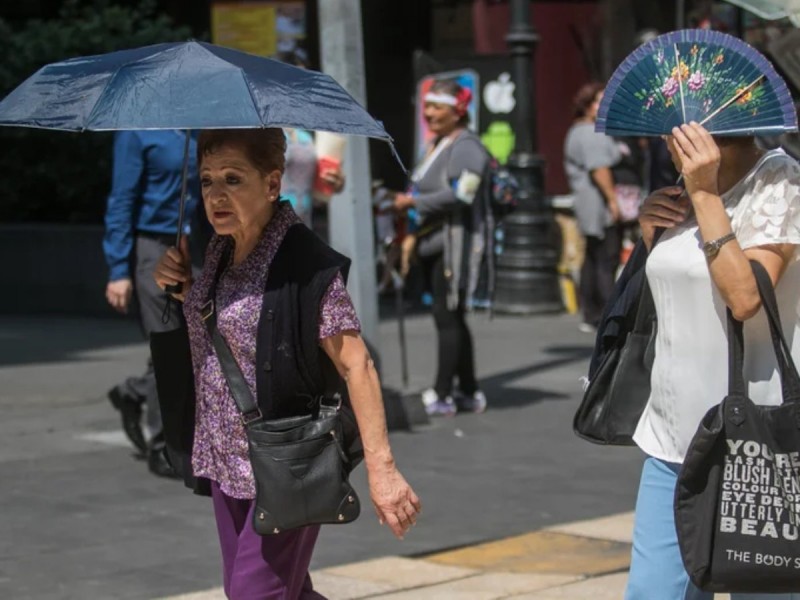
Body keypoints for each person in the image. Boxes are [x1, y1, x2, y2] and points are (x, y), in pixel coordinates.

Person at [153, 128, 420, 599]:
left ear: (272, 183)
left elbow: (358, 365)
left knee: (251, 595)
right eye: (207, 180)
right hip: (225, 459)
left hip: (283, 462)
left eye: (233, 179)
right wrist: (184, 289)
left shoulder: (305, 262)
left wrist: (384, 472)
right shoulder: (222, 249)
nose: (216, 195)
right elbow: (228, 331)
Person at [625, 121, 800, 600]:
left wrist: (705, 197)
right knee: (653, 593)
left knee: (767, 591)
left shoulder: (780, 180)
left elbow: (744, 298)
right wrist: (651, 235)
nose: (667, 141)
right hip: (672, 438)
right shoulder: (683, 188)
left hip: (760, 439)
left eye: (675, 129)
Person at [103, 129, 200, 477]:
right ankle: (164, 446)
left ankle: (132, 392)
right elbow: (121, 199)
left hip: (195, 246)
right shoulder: (138, 133)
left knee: (194, 343)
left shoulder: (199, 130)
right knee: (168, 344)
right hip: (154, 247)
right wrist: (118, 270)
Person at [563, 82, 622, 333]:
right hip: (596, 204)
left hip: (587, 202)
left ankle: (591, 312)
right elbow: (599, 169)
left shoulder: (579, 131)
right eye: (598, 101)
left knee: (593, 256)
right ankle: (606, 314)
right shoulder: (589, 133)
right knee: (605, 258)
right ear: (587, 106)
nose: (603, 106)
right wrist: (612, 200)